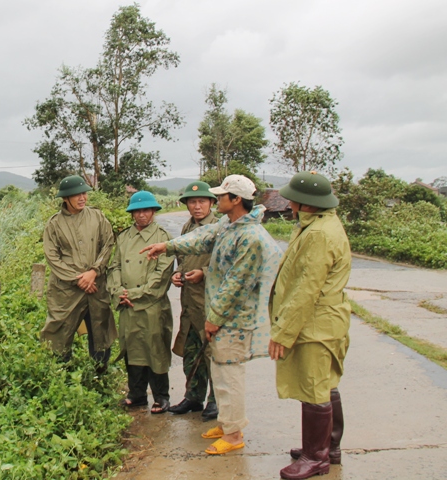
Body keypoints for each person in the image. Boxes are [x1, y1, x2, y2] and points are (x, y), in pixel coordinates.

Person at [140, 174, 281, 455]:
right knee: (220, 369)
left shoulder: (250, 236)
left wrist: (214, 317)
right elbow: (202, 237)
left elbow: (236, 284)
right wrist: (167, 246)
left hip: (234, 319)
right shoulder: (229, 226)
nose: (217, 200)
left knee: (230, 375)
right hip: (223, 315)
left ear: (236, 199)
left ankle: (234, 434)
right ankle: (227, 424)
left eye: (221, 196)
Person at [269, 171, 351, 480]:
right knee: (324, 384)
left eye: (293, 199)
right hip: (322, 320)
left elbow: (306, 288)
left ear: (306, 203)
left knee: (315, 387)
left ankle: (316, 457)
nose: (288, 203)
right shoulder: (318, 225)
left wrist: (283, 333)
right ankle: (327, 446)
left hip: (316, 324)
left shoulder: (319, 234)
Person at [41, 175, 117, 372]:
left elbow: (108, 244)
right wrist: (79, 279)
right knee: (60, 332)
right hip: (65, 292)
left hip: (96, 288)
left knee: (100, 330)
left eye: (84, 193)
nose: (82, 197)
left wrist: (94, 271)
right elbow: (52, 257)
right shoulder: (54, 224)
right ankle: (62, 377)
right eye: (77, 195)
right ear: (65, 198)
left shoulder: (97, 217)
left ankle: (100, 375)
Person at [107, 191, 174, 414]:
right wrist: (118, 291)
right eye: (137, 211)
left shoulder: (163, 238)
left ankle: (161, 397)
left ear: (154, 211)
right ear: (132, 213)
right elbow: (114, 266)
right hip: (127, 304)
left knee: (155, 348)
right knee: (132, 347)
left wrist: (134, 294)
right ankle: (136, 395)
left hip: (151, 305)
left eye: (146, 210)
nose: (142, 215)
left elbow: (161, 276)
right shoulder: (124, 237)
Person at [167, 181, 219, 421]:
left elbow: (227, 263)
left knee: (212, 352)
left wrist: (204, 273)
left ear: (211, 203)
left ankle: (216, 400)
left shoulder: (220, 227)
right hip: (189, 300)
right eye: (192, 202)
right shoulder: (188, 226)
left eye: (202, 202)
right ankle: (193, 396)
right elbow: (182, 255)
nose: (197, 206)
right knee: (191, 350)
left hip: (210, 301)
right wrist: (177, 274)